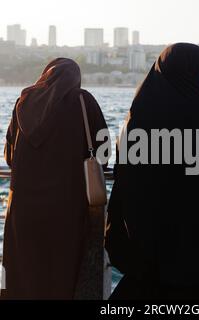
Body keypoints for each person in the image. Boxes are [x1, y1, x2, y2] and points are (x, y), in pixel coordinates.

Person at [105, 43, 199, 300]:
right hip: (197, 246)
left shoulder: (140, 111)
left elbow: (127, 172)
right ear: (190, 72)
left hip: (147, 242)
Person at [1, 58, 109, 299]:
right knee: (62, 275)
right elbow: (103, 153)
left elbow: (9, 156)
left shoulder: (23, 101)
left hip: (23, 209)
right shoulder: (83, 101)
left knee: (25, 274)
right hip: (67, 209)